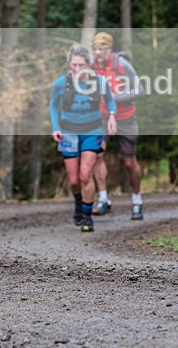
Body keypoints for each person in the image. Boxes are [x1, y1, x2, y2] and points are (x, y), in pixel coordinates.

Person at [49, 44, 117, 232]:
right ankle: (79, 204)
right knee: (74, 180)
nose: (77, 69)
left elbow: (110, 101)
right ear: (69, 65)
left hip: (92, 130)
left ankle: (87, 217)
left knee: (86, 174)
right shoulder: (61, 83)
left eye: (81, 65)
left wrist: (111, 116)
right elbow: (53, 106)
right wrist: (55, 127)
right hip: (69, 131)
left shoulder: (100, 82)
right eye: (74, 65)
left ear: (88, 64)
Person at [90, 32, 146, 220]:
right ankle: (104, 198)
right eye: (96, 49)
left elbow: (140, 90)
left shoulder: (122, 64)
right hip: (102, 118)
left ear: (110, 49)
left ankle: (137, 200)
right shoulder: (92, 66)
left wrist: (116, 97)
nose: (98, 53)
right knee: (97, 154)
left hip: (125, 117)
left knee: (129, 162)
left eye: (102, 49)